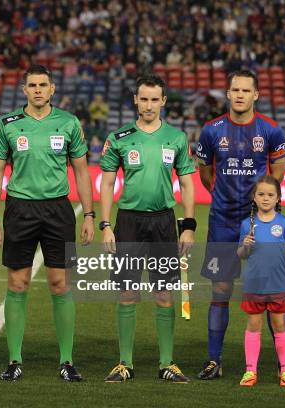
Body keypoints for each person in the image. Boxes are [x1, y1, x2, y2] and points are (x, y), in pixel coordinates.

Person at [0, 65, 95, 382]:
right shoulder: (6, 124)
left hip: (58, 210)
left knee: (60, 284)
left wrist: (88, 215)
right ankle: (14, 360)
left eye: (42, 85)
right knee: (17, 283)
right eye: (31, 84)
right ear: (24, 90)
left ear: (52, 89)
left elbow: (82, 171)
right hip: (19, 209)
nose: (37, 89)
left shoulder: (68, 123)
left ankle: (67, 361)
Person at [194, 70, 285, 381]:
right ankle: (215, 360)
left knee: (270, 291)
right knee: (221, 289)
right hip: (223, 220)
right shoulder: (211, 130)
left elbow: (277, 170)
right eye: (234, 90)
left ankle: (284, 366)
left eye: (245, 90)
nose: (239, 95)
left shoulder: (270, 130)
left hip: (260, 220)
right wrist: (222, 196)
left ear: (256, 95)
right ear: (228, 93)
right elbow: (205, 172)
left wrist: (262, 204)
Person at [99, 74, 195, 383]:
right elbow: (108, 181)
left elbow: (187, 181)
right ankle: (124, 362)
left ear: (163, 102)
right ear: (136, 101)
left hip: (164, 222)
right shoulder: (120, 137)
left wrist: (189, 225)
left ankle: (167, 362)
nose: (150, 104)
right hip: (128, 222)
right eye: (145, 98)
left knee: (164, 293)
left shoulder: (177, 138)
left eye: (156, 99)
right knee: (127, 292)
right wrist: (105, 225)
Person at [237, 176, 285, 388]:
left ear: (278, 198)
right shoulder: (247, 224)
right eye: (261, 194)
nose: (265, 198)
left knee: (280, 325)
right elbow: (241, 254)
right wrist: (245, 245)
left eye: (270, 195)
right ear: (254, 198)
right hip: (254, 285)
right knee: (254, 325)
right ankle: (250, 371)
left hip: (277, 285)